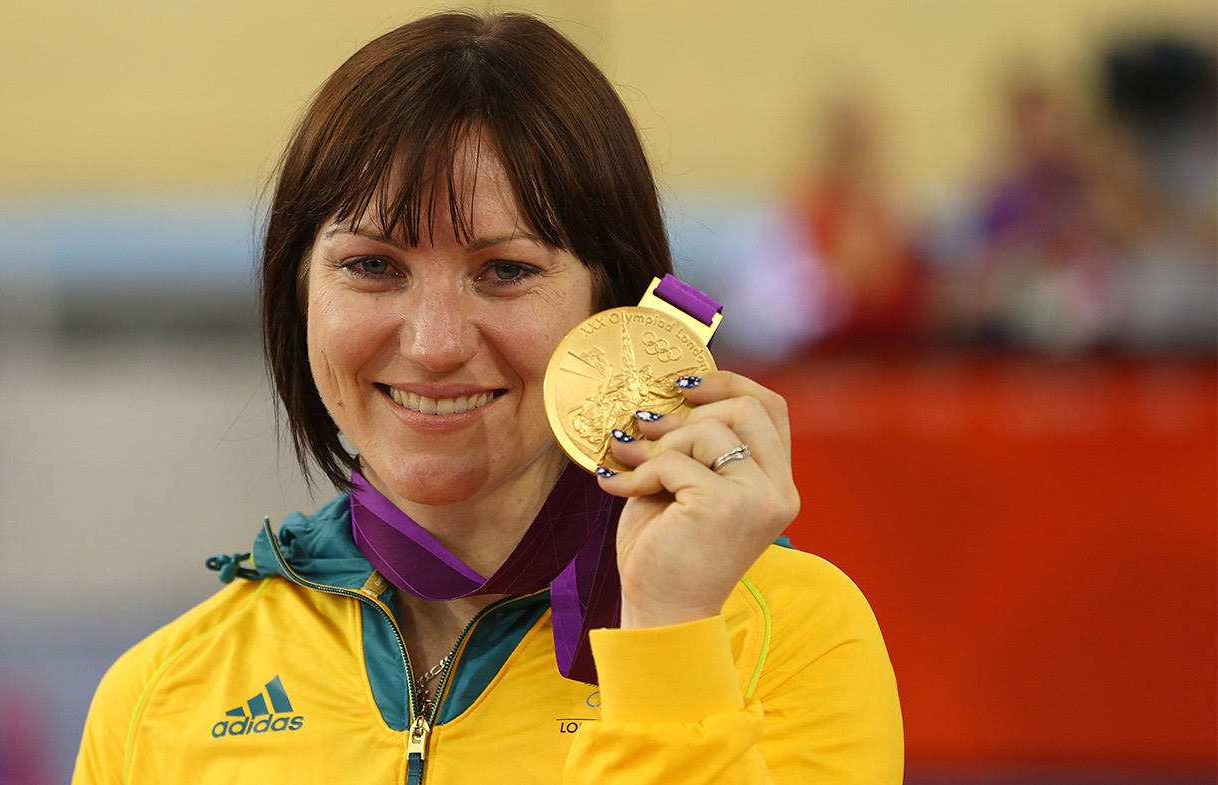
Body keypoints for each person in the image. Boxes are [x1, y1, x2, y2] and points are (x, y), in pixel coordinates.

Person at [73, 11, 902, 784]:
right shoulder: (161, 699)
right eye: (372, 266)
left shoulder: (792, 637)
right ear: (298, 294)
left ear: (609, 307)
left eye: (506, 271)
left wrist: (670, 637)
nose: (434, 344)